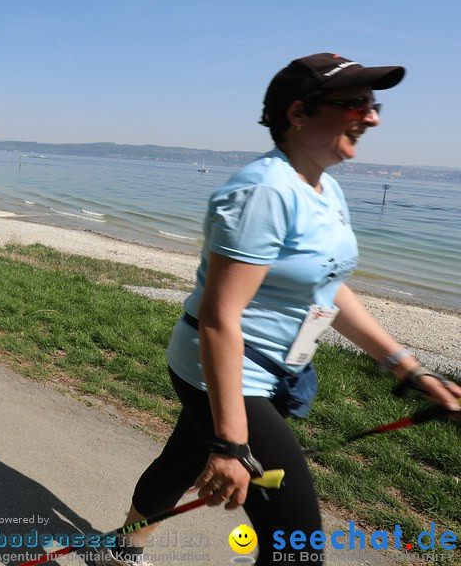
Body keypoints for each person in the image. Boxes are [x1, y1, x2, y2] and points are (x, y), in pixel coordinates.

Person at [104, 53, 461, 566]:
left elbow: (330, 289)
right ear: (298, 114)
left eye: (373, 103)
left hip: (264, 369)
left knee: (181, 460)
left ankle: (120, 550)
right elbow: (219, 317)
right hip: (227, 369)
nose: (373, 116)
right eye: (356, 103)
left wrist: (409, 368)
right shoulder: (262, 193)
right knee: (297, 544)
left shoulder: (324, 186)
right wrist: (230, 445)